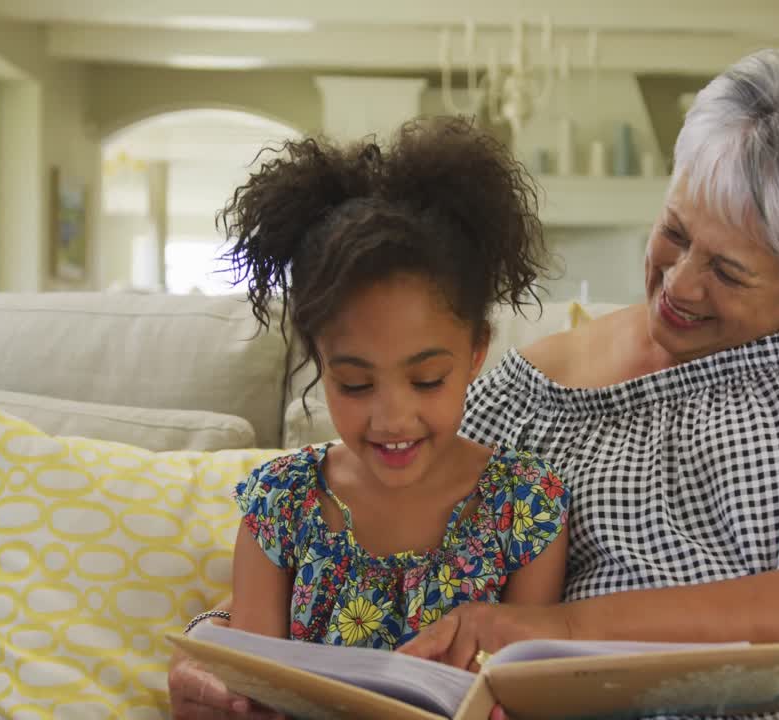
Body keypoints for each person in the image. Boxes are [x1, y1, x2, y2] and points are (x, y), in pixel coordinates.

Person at [170, 49, 779, 720]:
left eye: (730, 272)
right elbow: (388, 530)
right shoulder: (524, 391)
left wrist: (548, 627)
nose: (681, 285)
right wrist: (229, 646)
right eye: (674, 232)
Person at [171, 117, 572, 717]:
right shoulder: (282, 505)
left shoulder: (525, 507)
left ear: (476, 352)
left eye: (427, 379)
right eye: (355, 383)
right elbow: (251, 687)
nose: (392, 417)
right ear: (319, 360)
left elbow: (530, 690)